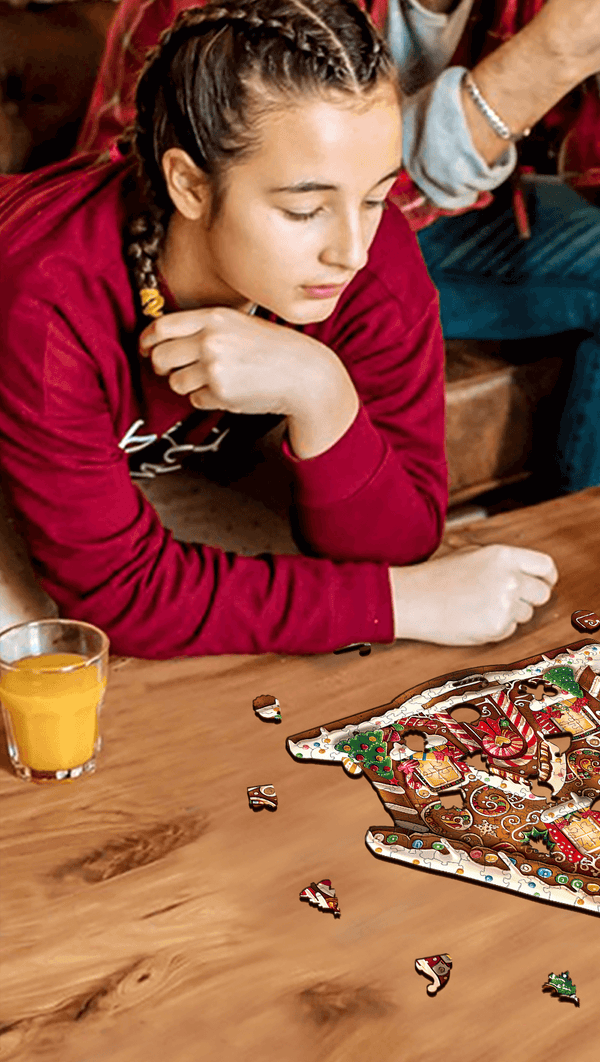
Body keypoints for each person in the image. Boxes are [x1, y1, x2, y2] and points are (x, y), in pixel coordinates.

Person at [0, 0, 556, 659]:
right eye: (305, 210)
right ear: (189, 185)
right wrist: (406, 602)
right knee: (35, 648)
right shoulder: (48, 296)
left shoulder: (371, 255)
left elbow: (402, 539)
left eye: (375, 197)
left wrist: (322, 392)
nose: (351, 249)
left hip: (105, 451)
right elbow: (123, 597)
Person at [76, 0, 600, 495]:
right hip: (235, 245)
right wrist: (545, 59)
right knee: (335, 223)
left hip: (434, 224)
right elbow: (168, 204)